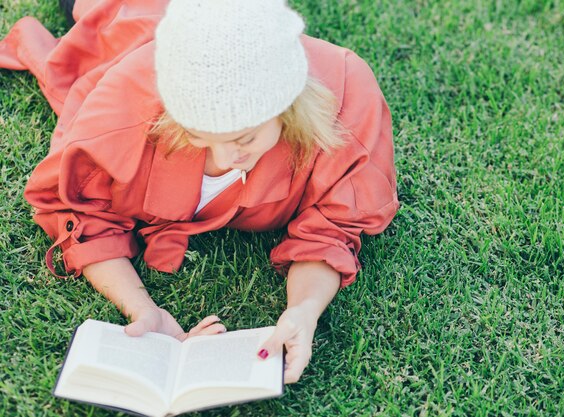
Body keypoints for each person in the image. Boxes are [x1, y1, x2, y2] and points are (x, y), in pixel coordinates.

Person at [0, 0, 398, 383]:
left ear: (288, 107)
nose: (226, 157)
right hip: (135, 22)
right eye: (196, 135)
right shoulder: (126, 103)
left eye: (245, 137)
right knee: (106, 14)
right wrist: (143, 308)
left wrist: (305, 310)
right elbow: (81, 214)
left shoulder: (345, 102)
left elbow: (331, 229)